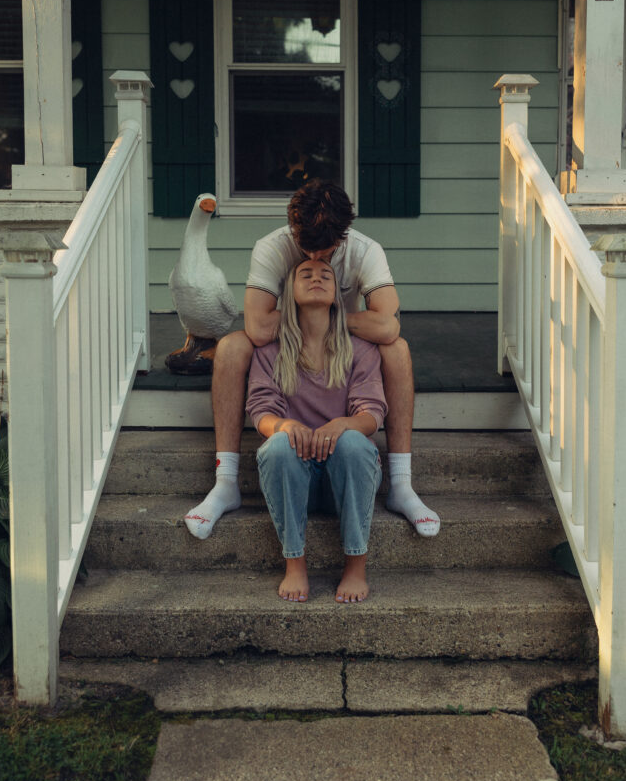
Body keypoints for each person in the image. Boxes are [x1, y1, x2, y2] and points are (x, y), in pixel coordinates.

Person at [185, 180, 440, 540]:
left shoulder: (366, 251)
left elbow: (387, 325)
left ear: (343, 235)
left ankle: (401, 483)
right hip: (286, 342)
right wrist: (304, 321)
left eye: (326, 253)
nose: (315, 260)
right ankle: (226, 480)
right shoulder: (272, 248)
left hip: (345, 346)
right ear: (293, 231)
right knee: (230, 346)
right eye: (306, 250)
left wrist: (331, 317)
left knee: (397, 349)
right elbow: (258, 328)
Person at [247, 258, 385, 603]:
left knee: (354, 442)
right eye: (305, 274)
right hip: (297, 475)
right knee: (277, 446)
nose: (316, 278)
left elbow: (373, 415)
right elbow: (260, 410)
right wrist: (283, 425)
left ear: (338, 296)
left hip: (347, 473)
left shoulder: (360, 350)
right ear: (289, 295)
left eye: (326, 275)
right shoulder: (270, 352)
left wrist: (343, 425)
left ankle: (356, 566)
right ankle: (294, 565)